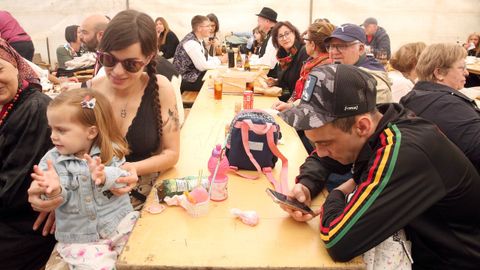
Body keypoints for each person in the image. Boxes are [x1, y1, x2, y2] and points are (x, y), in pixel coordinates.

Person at [279, 64, 480, 269]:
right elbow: (321, 159)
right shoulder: (380, 124)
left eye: (325, 143)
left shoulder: (403, 150)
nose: (320, 150)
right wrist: (306, 184)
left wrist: (336, 193)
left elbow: (338, 241)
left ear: (362, 126)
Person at [31, 88, 139, 269]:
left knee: (142, 253)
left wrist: (106, 176)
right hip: (81, 239)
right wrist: (53, 190)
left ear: (91, 132)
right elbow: (45, 197)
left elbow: (126, 177)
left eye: (61, 130)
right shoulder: (52, 162)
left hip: (120, 222)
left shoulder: (110, 150)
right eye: (51, 129)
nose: (52, 136)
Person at [91, 9, 180, 209]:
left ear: (148, 58)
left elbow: (172, 153)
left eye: (131, 64)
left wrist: (132, 168)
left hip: (143, 200)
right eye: (109, 59)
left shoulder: (161, 88)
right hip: (97, 201)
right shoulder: (92, 90)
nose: (117, 71)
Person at [0, 38, 56, 270]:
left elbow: (13, 191)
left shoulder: (36, 109)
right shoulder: (6, 106)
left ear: (16, 66)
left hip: (25, 223)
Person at [400, 43, 480, 171]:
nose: (466, 73)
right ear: (439, 73)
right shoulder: (449, 107)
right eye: (461, 68)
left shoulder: (415, 96)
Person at [272, 21, 335, 112]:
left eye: (306, 40)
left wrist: (289, 106)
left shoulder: (319, 69)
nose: (284, 38)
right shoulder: (312, 62)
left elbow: (308, 101)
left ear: (312, 45)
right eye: (280, 36)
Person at [324, 23, 392, 103]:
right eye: (331, 46)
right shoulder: (337, 71)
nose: (334, 52)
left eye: (341, 46)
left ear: (360, 49)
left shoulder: (374, 83)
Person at [173, 15, 226, 91]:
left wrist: (219, 58)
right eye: (207, 26)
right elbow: (202, 66)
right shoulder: (191, 43)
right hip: (185, 80)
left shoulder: (198, 39)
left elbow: (207, 58)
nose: (210, 28)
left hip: (193, 76)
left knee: (219, 76)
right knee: (216, 84)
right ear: (199, 28)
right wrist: (220, 60)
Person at [267, 21, 308, 102]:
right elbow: (287, 84)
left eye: (287, 33)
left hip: (297, 103)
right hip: (285, 99)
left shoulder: (304, 52)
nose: (285, 38)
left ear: (294, 33)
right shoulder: (282, 56)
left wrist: (289, 104)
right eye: (280, 36)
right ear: (276, 40)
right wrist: (277, 82)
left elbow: (303, 84)